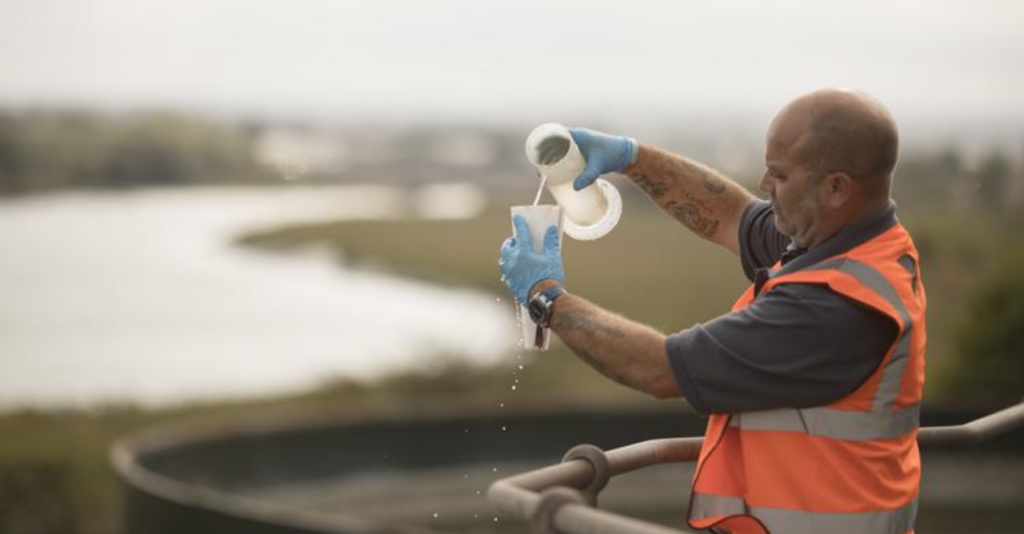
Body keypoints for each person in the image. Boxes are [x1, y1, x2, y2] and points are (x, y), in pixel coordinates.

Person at [499, 88, 926, 534]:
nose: (764, 185)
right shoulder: (849, 243)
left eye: (778, 175)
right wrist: (630, 157)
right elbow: (733, 216)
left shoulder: (837, 307)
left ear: (836, 188)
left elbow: (658, 369)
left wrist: (546, 296)